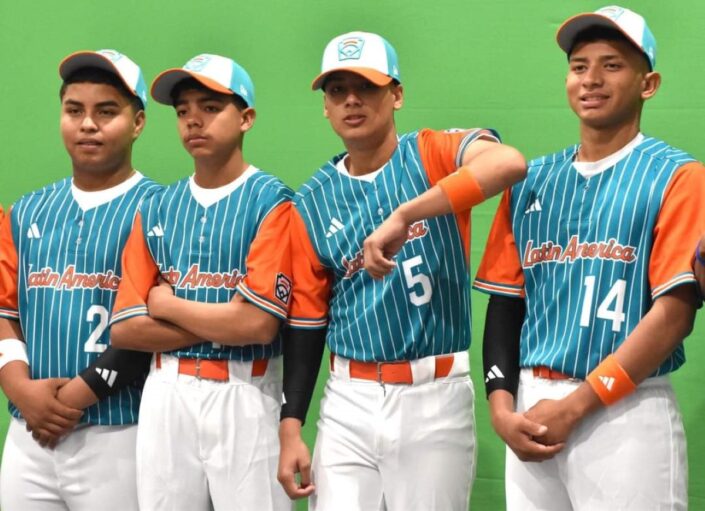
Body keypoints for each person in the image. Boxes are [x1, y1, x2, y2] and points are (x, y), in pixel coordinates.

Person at [277, 31, 526, 510]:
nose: (351, 100)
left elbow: (508, 162)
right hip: (347, 399)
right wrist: (290, 429)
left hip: (434, 394)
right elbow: (307, 322)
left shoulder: (432, 153)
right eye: (337, 90)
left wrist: (406, 214)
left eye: (366, 87)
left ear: (396, 94)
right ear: (325, 107)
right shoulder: (312, 201)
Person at [473, 6, 705, 510]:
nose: (591, 79)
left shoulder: (678, 177)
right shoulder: (530, 181)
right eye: (579, 66)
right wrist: (501, 406)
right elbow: (507, 304)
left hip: (624, 409)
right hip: (532, 406)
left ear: (649, 84)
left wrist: (577, 406)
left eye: (612, 65)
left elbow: (673, 316)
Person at [109, 54, 292, 510]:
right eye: (183, 110)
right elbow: (126, 328)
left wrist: (168, 306)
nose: (193, 120)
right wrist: (225, 320)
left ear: (246, 118)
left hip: (246, 392)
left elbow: (258, 326)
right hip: (166, 391)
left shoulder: (273, 201)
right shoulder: (157, 206)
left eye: (210, 107)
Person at [0, 49, 159, 510]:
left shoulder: (161, 210)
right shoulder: (27, 211)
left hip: (120, 428)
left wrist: (70, 399)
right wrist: (20, 389)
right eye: (74, 111)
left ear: (138, 123)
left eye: (106, 112)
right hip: (29, 432)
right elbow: (5, 310)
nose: (88, 124)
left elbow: (150, 330)